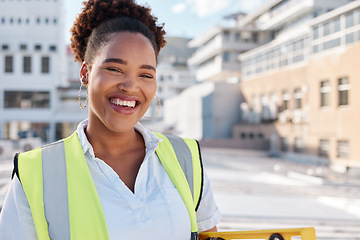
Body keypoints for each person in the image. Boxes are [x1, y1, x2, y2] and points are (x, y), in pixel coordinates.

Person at [0, 0, 221, 239]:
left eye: (146, 74)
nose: (130, 86)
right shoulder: (35, 173)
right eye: (115, 69)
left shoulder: (185, 158)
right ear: (85, 73)